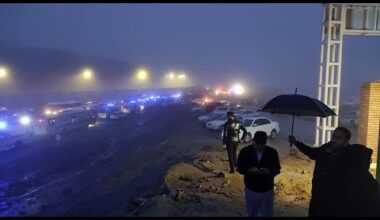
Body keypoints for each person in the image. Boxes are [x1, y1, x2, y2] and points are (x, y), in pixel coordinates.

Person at [289, 126, 380, 217]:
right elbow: (313, 153)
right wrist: (296, 143)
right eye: (333, 136)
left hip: (336, 203)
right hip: (318, 198)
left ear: (346, 141)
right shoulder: (327, 148)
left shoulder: (351, 157)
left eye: (338, 138)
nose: (334, 140)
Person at [237, 131, 281, 217]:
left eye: (262, 145)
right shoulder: (245, 151)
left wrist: (269, 172)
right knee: (251, 213)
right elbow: (240, 168)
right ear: (253, 141)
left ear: (265, 143)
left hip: (267, 190)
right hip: (251, 189)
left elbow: (277, 169)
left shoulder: (272, 152)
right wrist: (249, 170)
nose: (259, 147)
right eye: (257, 144)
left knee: (267, 213)